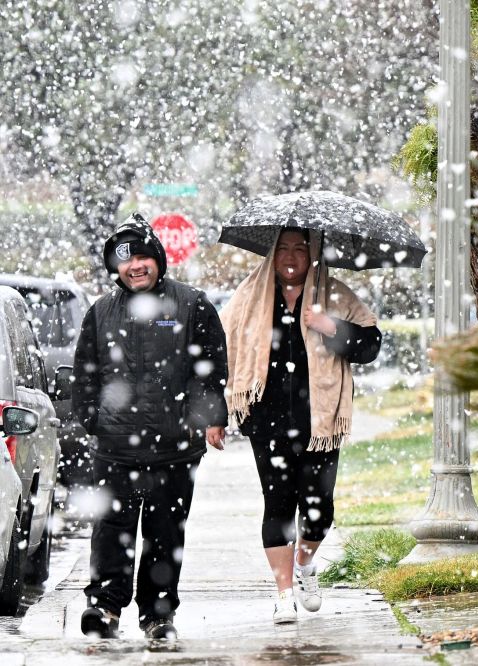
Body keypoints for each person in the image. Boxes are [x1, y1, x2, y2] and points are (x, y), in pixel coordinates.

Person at [73, 213, 228, 640]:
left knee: (163, 535)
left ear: (158, 258)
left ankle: (158, 616)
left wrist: (208, 418)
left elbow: (211, 368)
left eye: (143, 256)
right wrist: (91, 418)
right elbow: (85, 373)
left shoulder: (191, 303)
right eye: (126, 259)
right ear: (115, 267)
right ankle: (103, 608)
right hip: (114, 448)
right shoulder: (101, 312)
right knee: (111, 534)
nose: (135, 266)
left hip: (174, 448)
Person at [220, 228, 380, 624]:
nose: (291, 257)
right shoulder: (250, 295)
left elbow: (372, 343)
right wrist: (214, 415)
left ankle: (305, 568)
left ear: (313, 254)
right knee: (277, 507)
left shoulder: (335, 293)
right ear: (272, 254)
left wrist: (330, 326)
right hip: (266, 421)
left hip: (320, 422)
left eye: (300, 249)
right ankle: (283, 593)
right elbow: (221, 349)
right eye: (283, 249)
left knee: (319, 512)